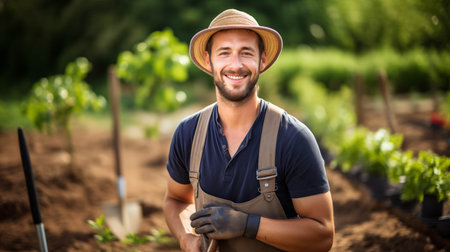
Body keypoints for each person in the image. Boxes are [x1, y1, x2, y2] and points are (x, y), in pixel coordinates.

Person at [163, 9, 334, 252]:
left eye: (246, 53)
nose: (236, 64)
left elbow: (322, 235)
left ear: (262, 60)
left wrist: (248, 225)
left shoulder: (293, 138)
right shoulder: (188, 133)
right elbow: (176, 199)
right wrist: (185, 238)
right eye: (224, 53)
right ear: (209, 59)